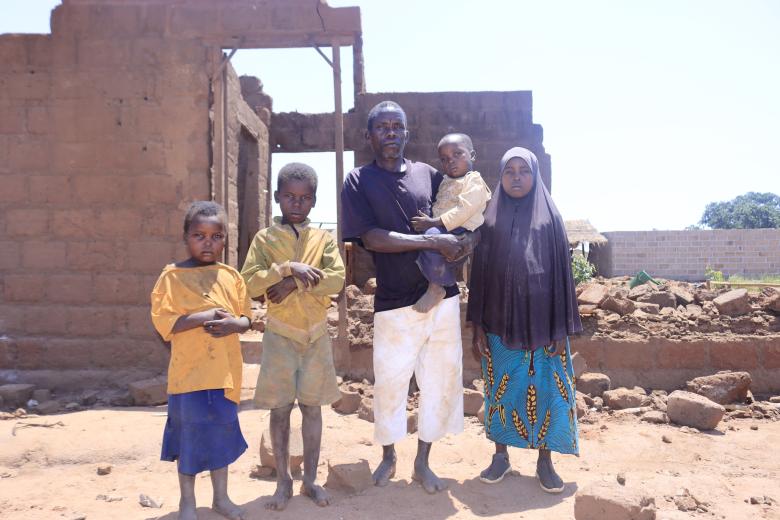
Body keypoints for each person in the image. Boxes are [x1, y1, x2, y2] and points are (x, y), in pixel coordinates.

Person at [340, 101, 478, 494]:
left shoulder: (430, 175)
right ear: (369, 136)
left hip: (443, 299)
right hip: (393, 301)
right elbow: (372, 238)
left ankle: (422, 462)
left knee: (439, 381)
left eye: (397, 127)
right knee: (389, 383)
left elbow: (461, 219)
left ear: (406, 134)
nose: (390, 133)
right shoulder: (358, 180)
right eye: (381, 127)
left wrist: (463, 242)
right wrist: (432, 240)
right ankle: (388, 457)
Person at [467, 147, 583, 494]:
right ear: (500, 177)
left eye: (524, 171)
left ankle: (545, 461)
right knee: (501, 390)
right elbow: (480, 278)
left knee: (548, 391)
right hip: (499, 323)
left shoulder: (550, 219)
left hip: (544, 325)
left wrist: (558, 325)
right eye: (509, 171)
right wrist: (478, 328)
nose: (516, 177)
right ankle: (501, 456)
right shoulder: (489, 220)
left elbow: (563, 277)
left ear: (535, 176)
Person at [241, 163, 345, 510]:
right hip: (279, 336)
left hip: (315, 337)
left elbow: (336, 281)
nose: (296, 203)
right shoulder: (265, 240)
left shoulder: (323, 240)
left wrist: (294, 282)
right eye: (289, 196)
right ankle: (284, 481)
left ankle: (311, 479)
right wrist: (286, 268)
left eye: (304, 198)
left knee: (312, 409)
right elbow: (250, 283)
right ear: (277, 198)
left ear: (313, 202)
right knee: (281, 410)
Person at [150, 201, 251, 520]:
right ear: (185, 237)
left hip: (222, 376)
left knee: (220, 438)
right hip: (188, 378)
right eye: (199, 235)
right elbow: (166, 325)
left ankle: (221, 498)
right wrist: (202, 316)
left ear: (225, 239)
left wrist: (238, 324)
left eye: (216, 236)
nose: (208, 243)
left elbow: (247, 316)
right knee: (190, 441)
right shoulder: (171, 277)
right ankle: (188, 504)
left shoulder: (231, 276)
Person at [411, 132, 491, 312]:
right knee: (426, 243)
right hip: (445, 227)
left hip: (460, 227)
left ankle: (436, 287)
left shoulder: (474, 181)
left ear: (472, 155)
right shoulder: (447, 180)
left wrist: (434, 222)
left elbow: (464, 210)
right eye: (445, 159)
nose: (451, 161)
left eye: (457, 154)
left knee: (431, 238)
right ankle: (435, 281)